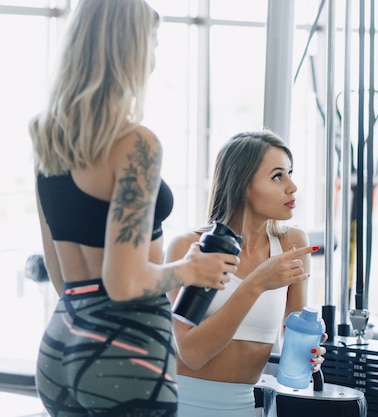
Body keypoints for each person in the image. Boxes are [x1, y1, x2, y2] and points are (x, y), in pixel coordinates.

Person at [28, 1, 238, 415]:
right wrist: (192, 270)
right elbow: (123, 283)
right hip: (126, 347)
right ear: (130, 48)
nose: (155, 59)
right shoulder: (136, 144)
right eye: (153, 43)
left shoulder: (47, 137)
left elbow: (57, 270)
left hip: (61, 341)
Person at [165, 130, 325, 417]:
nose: (293, 187)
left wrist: (309, 351)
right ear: (242, 185)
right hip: (184, 404)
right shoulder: (188, 248)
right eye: (278, 176)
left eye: (290, 173)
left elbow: (294, 332)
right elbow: (192, 353)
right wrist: (257, 283)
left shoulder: (292, 244)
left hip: (250, 407)